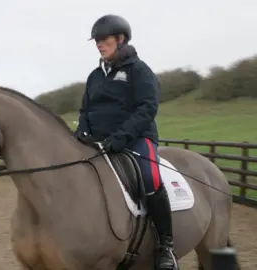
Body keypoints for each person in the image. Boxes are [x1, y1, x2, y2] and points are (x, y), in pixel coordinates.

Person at [74, 14, 178, 270]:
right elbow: (85, 110)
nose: (99, 44)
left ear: (120, 39)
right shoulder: (94, 76)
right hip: (99, 142)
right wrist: (82, 135)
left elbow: (147, 107)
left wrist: (120, 137)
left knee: (150, 178)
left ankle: (166, 246)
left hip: (136, 139)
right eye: (96, 40)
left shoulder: (139, 71)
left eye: (104, 39)